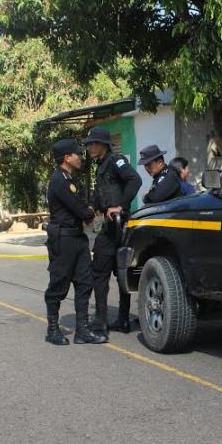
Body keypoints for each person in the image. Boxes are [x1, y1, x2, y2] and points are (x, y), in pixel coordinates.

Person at [43, 139, 107, 346]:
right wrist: (89, 211)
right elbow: (80, 210)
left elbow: (82, 209)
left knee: (85, 282)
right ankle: (52, 329)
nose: (81, 157)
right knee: (59, 283)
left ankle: (82, 330)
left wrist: (87, 212)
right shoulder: (58, 180)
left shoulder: (69, 179)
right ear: (66, 158)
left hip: (77, 237)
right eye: (77, 154)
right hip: (63, 238)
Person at [83, 126, 142, 334]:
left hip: (118, 225)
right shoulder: (101, 166)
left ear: (103, 145)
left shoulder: (116, 161)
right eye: (88, 144)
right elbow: (102, 196)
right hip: (110, 225)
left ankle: (105, 321)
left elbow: (135, 180)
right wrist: (91, 210)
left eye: (92, 143)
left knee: (106, 273)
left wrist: (122, 206)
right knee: (112, 271)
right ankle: (118, 320)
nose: (89, 147)